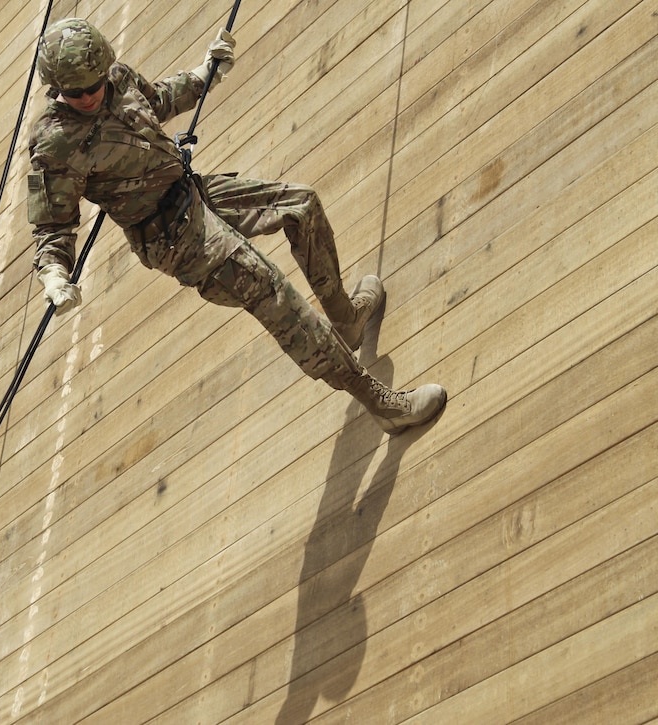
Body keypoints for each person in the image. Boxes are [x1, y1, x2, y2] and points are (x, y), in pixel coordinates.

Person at [26, 18, 446, 434]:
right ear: (57, 89)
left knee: (300, 204)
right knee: (274, 294)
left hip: (194, 193)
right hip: (175, 239)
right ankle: (382, 404)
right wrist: (54, 272)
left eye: (92, 85)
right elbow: (52, 225)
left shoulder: (116, 78)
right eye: (73, 92)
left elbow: (156, 101)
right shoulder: (54, 142)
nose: (86, 96)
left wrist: (204, 73)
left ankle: (345, 318)